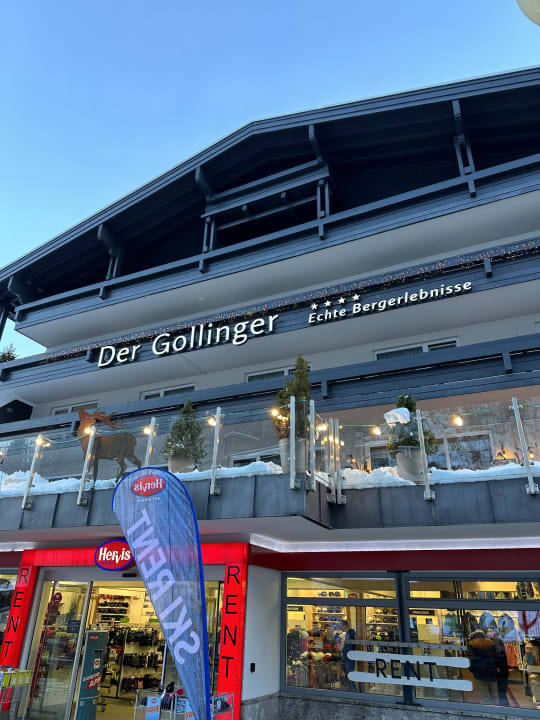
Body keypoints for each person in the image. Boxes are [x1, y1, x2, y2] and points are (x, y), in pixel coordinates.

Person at [466, 629, 499, 705]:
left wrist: (474, 671)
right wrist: (495, 667)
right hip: (492, 672)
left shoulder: (471, 644)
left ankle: (488, 710)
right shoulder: (491, 642)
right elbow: (498, 657)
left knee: (485, 697)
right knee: (495, 696)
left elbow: (469, 660)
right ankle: (497, 709)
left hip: (479, 674)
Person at [486, 627, 510, 706]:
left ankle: (505, 710)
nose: (489, 633)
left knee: (501, 695)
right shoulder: (493, 642)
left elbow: (499, 657)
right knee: (500, 695)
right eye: (488, 631)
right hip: (499, 672)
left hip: (500, 672)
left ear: (495, 632)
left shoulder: (497, 642)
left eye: (491, 631)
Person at [340, 620, 357, 691]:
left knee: (350, 677)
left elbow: (349, 647)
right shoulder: (347, 634)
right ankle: (351, 691)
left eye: (341, 625)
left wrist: (343, 650)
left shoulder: (350, 633)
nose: (340, 627)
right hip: (347, 657)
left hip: (349, 658)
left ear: (345, 626)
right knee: (348, 676)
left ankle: (353, 692)